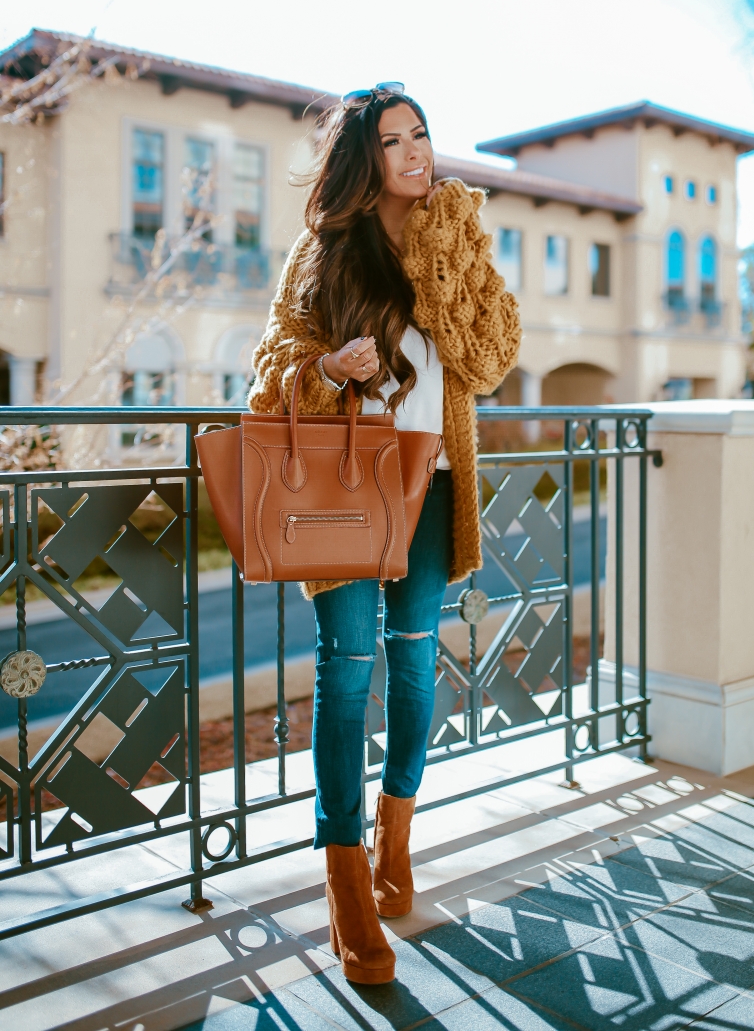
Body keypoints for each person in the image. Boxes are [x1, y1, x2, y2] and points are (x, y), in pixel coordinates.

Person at [248, 83, 521, 985]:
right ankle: (344, 886)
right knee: (349, 665)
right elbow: (269, 373)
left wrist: (446, 251)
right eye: (394, 140)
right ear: (365, 157)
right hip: (344, 490)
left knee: (412, 664)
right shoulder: (322, 248)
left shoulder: (459, 234)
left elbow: (490, 359)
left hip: (435, 486)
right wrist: (327, 366)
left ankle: (393, 842)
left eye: (423, 134)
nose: (415, 151)